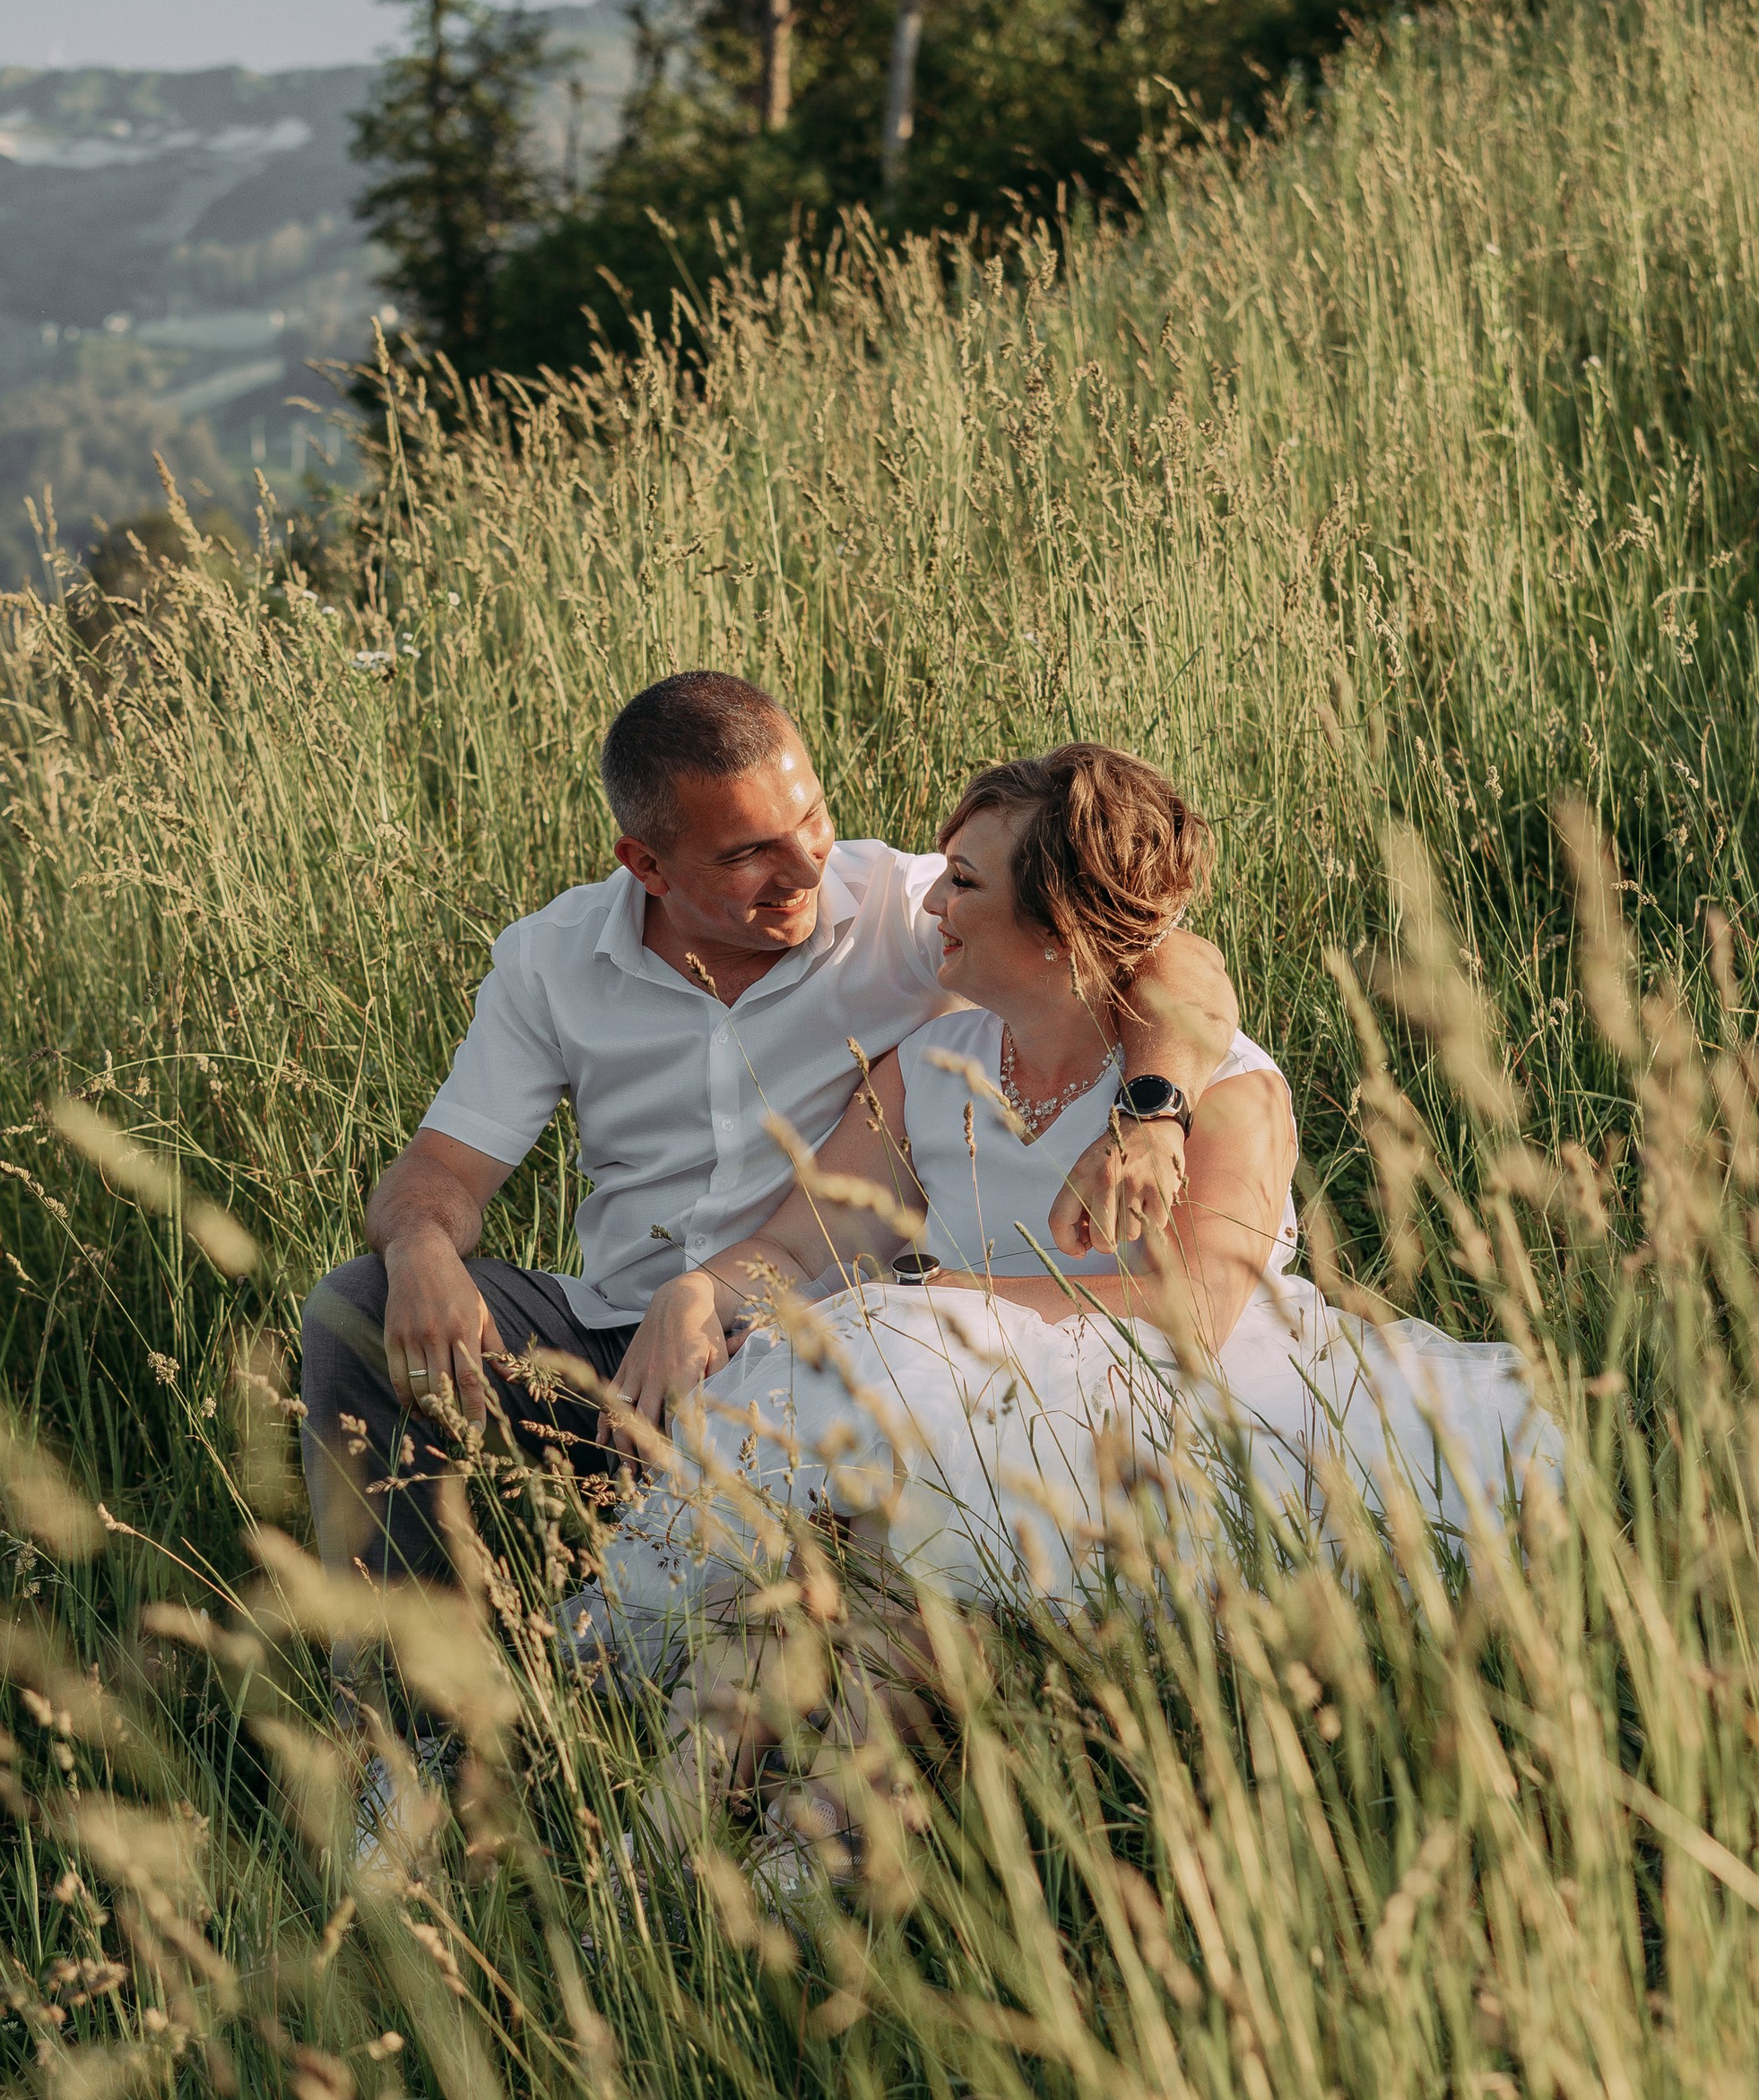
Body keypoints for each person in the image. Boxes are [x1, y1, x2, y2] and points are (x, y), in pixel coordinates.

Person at [587, 741, 1562, 1690]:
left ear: (1056, 923)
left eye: (964, 883)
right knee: (818, 1574)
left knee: (892, 1558)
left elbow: (1195, 1311)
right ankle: (683, 1837)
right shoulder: (929, 1067)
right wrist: (699, 1288)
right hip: (963, 1415)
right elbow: (801, 1243)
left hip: (1176, 1418)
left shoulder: (1222, 1090)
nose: (930, 901)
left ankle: (791, 1840)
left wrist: (939, 1305)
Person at [299, 676, 1243, 1580]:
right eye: (749, 853)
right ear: (646, 864)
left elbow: (1157, 951)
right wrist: (421, 1246)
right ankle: (400, 1714)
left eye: (811, 822)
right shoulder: (552, 962)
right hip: (625, 1346)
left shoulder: (909, 909)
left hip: (838, 1352)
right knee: (361, 1306)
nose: (802, 871)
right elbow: (441, 1171)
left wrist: (1151, 1110)